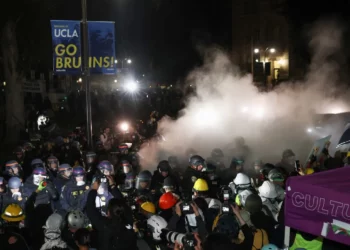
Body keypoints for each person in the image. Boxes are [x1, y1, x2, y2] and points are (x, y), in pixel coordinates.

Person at [86, 181, 138, 250]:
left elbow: (90, 210)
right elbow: (123, 204)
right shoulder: (128, 219)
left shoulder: (105, 225)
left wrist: (94, 190)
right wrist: (113, 186)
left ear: (108, 213)